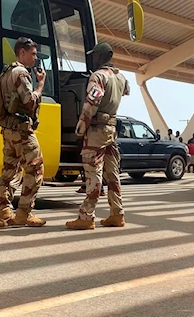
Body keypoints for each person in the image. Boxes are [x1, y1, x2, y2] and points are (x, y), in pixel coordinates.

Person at [66, 42, 129, 230]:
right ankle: (117, 214)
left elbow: (91, 103)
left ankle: (86, 216)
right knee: (113, 174)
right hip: (111, 130)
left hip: (96, 131)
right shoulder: (121, 77)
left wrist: (80, 128)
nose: (92, 59)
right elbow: (126, 92)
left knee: (93, 174)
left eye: (94, 56)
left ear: (102, 56)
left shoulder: (98, 76)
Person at [0, 37, 47, 228]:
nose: (35, 58)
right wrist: (40, 85)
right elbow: (29, 102)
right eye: (33, 54)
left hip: (7, 131)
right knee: (36, 169)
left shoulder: (5, 73)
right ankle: (24, 212)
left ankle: (4, 213)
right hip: (22, 131)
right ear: (22, 53)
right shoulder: (21, 74)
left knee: (9, 172)